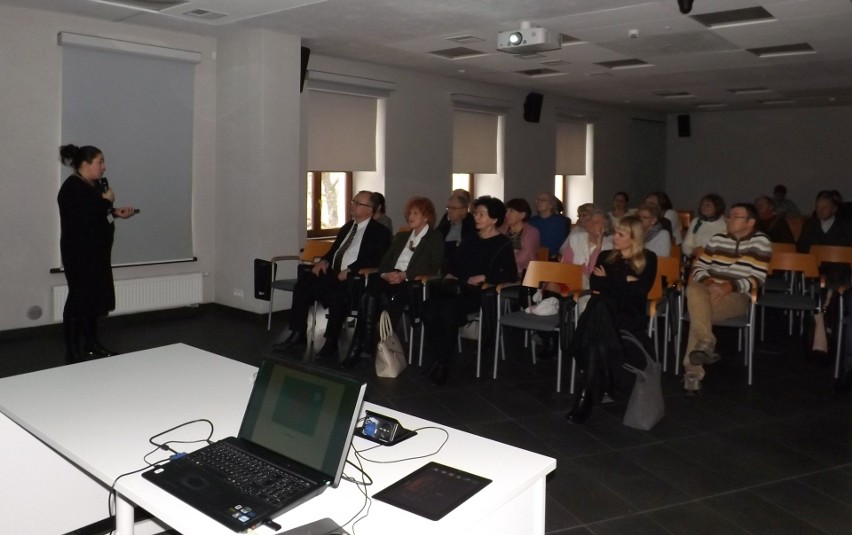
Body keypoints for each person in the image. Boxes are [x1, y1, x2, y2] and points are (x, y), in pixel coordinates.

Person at [274, 190, 392, 361]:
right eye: (353, 201)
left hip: (354, 279)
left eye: (358, 203)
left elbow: (377, 258)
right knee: (304, 282)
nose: (353, 205)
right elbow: (334, 252)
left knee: (338, 293)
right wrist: (323, 261)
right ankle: (298, 334)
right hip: (334, 274)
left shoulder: (380, 232)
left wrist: (351, 269)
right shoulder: (347, 228)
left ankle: (331, 342)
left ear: (370, 209)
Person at [566, 215, 657, 423]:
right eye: (615, 232)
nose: (614, 237)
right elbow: (597, 284)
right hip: (605, 313)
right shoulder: (606, 255)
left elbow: (639, 291)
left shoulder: (648, 258)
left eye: (620, 234)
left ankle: (587, 394)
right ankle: (592, 388)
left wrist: (611, 279)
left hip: (629, 314)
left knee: (598, 309)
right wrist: (624, 280)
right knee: (599, 308)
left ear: (633, 238)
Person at [421, 196, 518, 385]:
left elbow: (510, 274)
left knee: (447, 313)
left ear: (494, 219)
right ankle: (436, 359)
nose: (476, 217)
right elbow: (455, 263)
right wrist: (450, 273)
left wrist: (486, 277)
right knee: (428, 308)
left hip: (476, 293)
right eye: (476, 213)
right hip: (457, 288)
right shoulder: (471, 238)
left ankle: (442, 364)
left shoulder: (503, 243)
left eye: (482, 214)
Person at [340, 197, 444, 369]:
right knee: (369, 294)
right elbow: (385, 261)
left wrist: (405, 275)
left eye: (416, 213)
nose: (410, 216)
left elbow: (433, 266)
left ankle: (364, 346)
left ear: (426, 217)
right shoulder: (402, 236)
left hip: (412, 282)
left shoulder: (434, 237)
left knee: (381, 299)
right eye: (409, 213)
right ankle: (365, 343)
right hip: (391, 277)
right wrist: (386, 274)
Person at [58, 144, 137, 364]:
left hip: (95, 252)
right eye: (100, 162)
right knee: (78, 299)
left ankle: (91, 345)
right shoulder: (72, 187)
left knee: (91, 300)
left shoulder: (91, 187)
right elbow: (82, 218)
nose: (104, 167)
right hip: (79, 253)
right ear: (85, 164)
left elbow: (96, 217)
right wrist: (106, 202)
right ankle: (73, 352)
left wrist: (114, 213)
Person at [682, 203, 771, 394]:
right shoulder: (717, 239)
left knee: (698, 311)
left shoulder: (760, 241)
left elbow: (758, 278)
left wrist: (729, 286)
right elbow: (698, 268)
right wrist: (709, 283)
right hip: (708, 292)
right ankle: (704, 345)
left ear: (750, 222)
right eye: (729, 216)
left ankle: (694, 369)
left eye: (735, 216)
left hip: (736, 296)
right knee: (695, 292)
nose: (729, 219)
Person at [437, 189, 476, 273]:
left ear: (464, 210)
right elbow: (436, 238)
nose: (450, 211)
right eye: (448, 208)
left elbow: (466, 249)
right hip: (441, 262)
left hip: (460, 265)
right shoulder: (445, 222)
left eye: (454, 208)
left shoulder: (471, 223)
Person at [499, 198, 541, 276]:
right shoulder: (502, 229)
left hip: (524, 272)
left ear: (522, 215)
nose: (506, 214)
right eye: (506, 211)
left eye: (511, 211)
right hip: (503, 269)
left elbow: (526, 254)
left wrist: (503, 263)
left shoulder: (532, 232)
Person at [530, 192, 569, 259]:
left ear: (551, 204)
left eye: (542, 200)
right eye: (537, 200)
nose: (538, 202)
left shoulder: (559, 221)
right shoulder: (532, 221)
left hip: (553, 257)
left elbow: (557, 243)